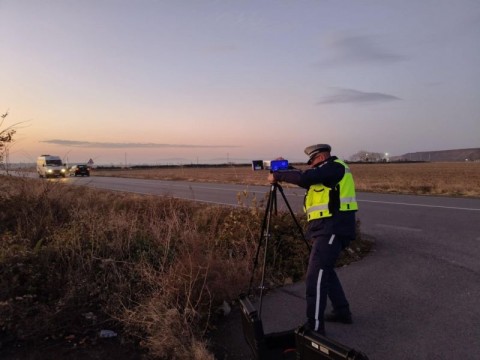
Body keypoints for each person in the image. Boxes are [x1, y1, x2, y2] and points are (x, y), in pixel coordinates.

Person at [267, 144, 358, 336]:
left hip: (333, 228)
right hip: (325, 228)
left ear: (322, 156)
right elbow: (306, 176)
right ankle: (342, 311)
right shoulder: (326, 171)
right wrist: (284, 169)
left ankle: (314, 328)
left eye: (314, 161)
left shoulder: (335, 167)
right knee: (326, 272)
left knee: (314, 277)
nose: (312, 166)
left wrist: (279, 175)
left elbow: (306, 178)